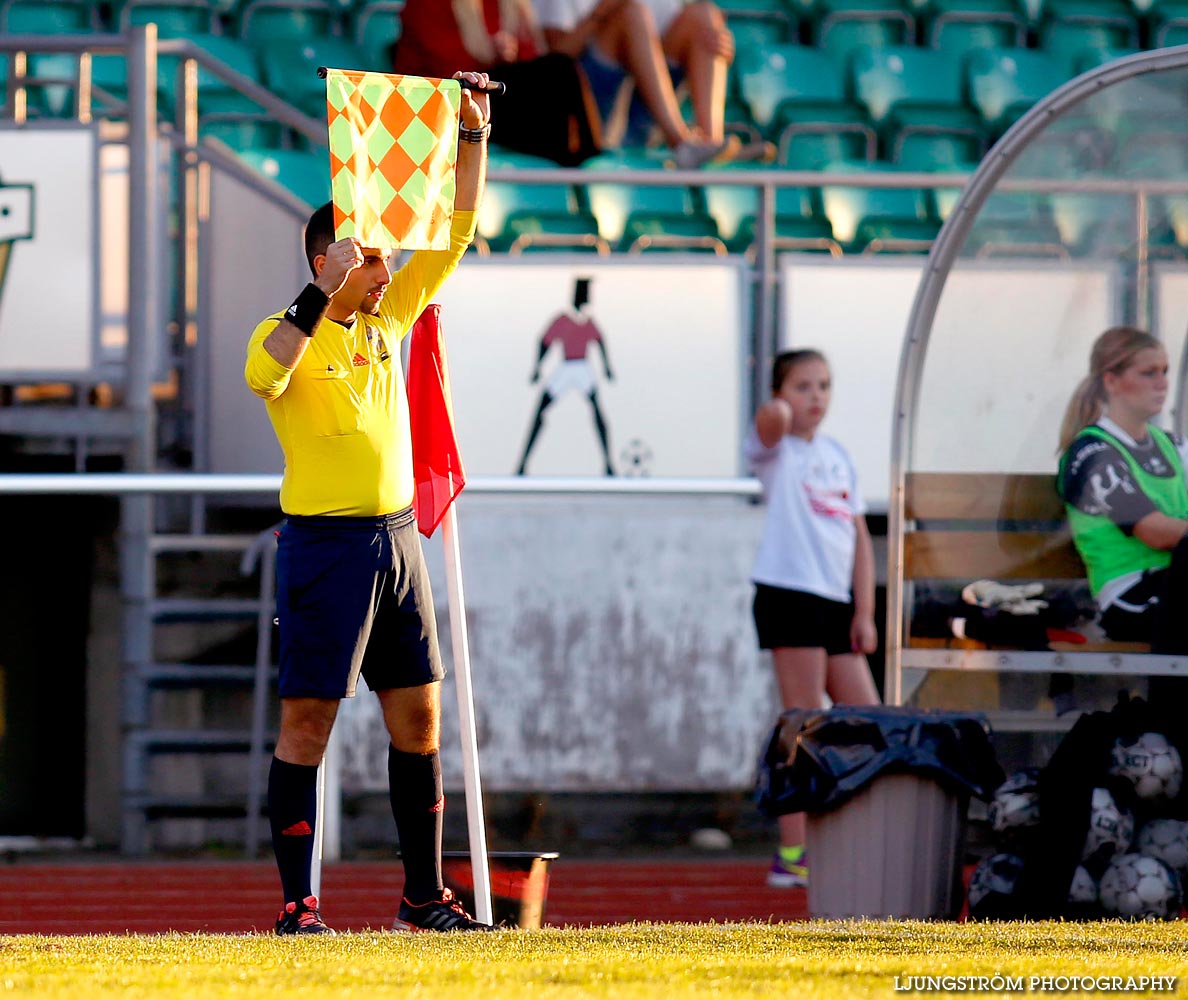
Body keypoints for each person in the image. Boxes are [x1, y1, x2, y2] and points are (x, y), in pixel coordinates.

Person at [243, 71, 495, 935]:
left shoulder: (391, 321)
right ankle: (298, 906)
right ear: (330, 258)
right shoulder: (291, 327)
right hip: (326, 547)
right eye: (374, 256)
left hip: (397, 544)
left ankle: (423, 899)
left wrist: (473, 134)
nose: (389, 270)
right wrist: (317, 299)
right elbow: (264, 372)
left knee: (419, 715)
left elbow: (457, 233)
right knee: (308, 720)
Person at [745, 349, 880, 888]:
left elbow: (859, 539)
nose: (816, 397)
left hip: (834, 603)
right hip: (789, 594)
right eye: (803, 386)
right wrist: (779, 405)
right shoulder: (776, 452)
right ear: (781, 392)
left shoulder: (838, 455)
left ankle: (857, 833)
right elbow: (769, 425)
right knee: (802, 722)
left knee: (868, 720)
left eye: (823, 385)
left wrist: (863, 611)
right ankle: (794, 852)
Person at [1057, 326, 1188, 712]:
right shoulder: (1091, 453)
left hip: (1176, 589)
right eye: (1148, 373)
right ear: (1111, 381)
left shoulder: (1171, 445)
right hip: (1132, 599)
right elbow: (1154, 531)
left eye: (1165, 371)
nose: (1162, 383)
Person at [534, 0, 770, 167]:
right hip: (590, 114)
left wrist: (717, 45)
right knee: (631, 13)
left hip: (644, 113)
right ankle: (682, 144)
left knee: (704, 16)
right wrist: (600, 14)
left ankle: (710, 143)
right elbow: (553, 61)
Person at [394, 0, 603, 166]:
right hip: (447, 110)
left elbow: (531, 62)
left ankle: (584, 163)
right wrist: (492, 57)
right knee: (559, 68)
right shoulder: (428, 4)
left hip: (491, 103)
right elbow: (449, 75)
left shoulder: (511, 5)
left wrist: (511, 56)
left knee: (559, 72)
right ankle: (588, 160)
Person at [516, 276, 615, 476]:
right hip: (567, 367)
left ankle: (608, 463)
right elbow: (545, 342)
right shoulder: (563, 319)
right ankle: (523, 463)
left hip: (582, 368)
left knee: (597, 412)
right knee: (540, 410)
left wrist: (606, 367)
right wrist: (537, 367)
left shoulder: (587, 321)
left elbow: (600, 341)